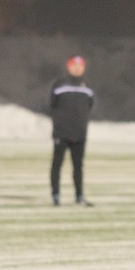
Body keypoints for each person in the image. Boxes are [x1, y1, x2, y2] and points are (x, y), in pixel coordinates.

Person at [49, 55, 95, 206]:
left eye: (80, 66)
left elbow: (90, 106)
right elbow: (52, 105)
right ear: (68, 67)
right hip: (62, 132)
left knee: (78, 166)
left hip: (79, 133)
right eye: (74, 66)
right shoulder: (59, 84)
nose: (77, 68)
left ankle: (79, 196)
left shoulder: (86, 87)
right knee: (57, 164)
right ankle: (56, 196)